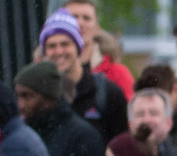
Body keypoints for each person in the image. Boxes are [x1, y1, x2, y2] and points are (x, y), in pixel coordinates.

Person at [39, 8, 126, 142]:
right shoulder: (38, 95)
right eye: (51, 46)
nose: (59, 51)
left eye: (65, 44)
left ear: (78, 47)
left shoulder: (107, 92)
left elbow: (121, 147)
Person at [64, 0, 134, 99]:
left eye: (86, 18)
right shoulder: (45, 73)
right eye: (73, 17)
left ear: (96, 29)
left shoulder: (118, 74)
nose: (79, 23)